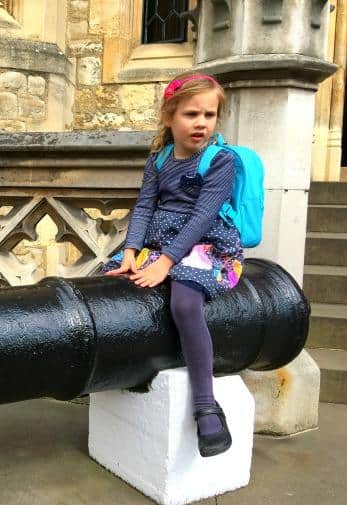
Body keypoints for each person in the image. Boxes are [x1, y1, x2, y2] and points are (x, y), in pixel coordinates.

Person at [102, 73, 243, 457]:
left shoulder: (221, 161)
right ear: (169, 116)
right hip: (158, 242)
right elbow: (145, 204)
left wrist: (165, 263)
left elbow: (202, 216)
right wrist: (131, 250)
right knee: (108, 282)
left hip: (205, 245)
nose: (201, 123)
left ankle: (205, 404)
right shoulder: (159, 159)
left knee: (184, 303)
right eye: (191, 113)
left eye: (209, 115)